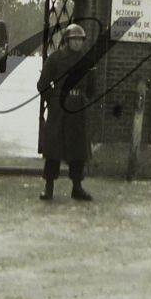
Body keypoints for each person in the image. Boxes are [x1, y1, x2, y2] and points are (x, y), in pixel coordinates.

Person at [38, 23, 96, 202]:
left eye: (80, 40)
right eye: (74, 39)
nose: (78, 43)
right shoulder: (55, 59)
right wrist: (54, 101)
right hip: (60, 110)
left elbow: (92, 88)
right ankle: (49, 187)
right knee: (54, 150)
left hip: (78, 110)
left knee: (78, 150)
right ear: (67, 40)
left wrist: (84, 98)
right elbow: (42, 84)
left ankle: (77, 187)